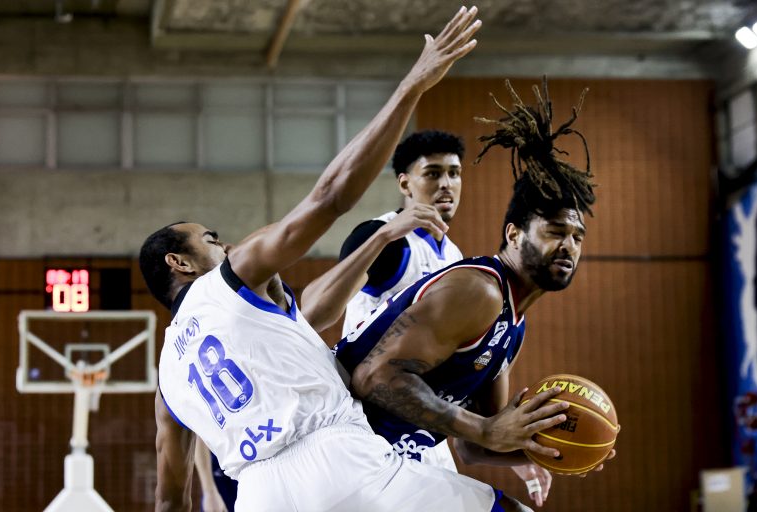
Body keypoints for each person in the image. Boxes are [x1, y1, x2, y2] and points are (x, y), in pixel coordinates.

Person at [141, 8, 564, 511]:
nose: (225, 245)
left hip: (258, 494)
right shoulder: (233, 280)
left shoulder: (168, 380)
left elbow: (169, 499)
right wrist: (411, 85)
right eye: (211, 239)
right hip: (340, 455)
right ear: (180, 263)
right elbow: (330, 196)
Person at [329, 78, 612, 508]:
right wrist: (485, 430)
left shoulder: (512, 324)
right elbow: (373, 377)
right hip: (346, 443)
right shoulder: (477, 287)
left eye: (577, 237)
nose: (568, 246)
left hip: (400, 451)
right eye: (555, 231)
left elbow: (475, 443)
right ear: (513, 235)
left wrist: (545, 450)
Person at [301, 129, 466, 474]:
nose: (446, 184)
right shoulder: (383, 237)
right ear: (405, 184)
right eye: (433, 173)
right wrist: (383, 236)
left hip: (423, 416)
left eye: (454, 173)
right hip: (368, 419)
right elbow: (312, 311)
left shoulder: (454, 256)